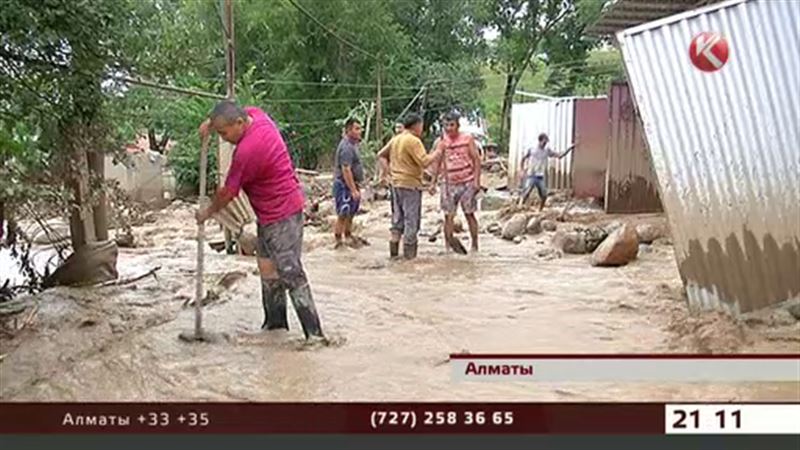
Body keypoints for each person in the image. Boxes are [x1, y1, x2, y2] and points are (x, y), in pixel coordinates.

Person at [195, 101, 325, 342]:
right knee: (267, 268)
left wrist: (207, 212)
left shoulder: (248, 151)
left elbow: (228, 193)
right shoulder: (256, 115)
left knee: (290, 272)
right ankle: (275, 326)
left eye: (224, 133)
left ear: (240, 124)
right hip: (267, 214)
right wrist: (210, 125)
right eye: (219, 133)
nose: (223, 139)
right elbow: (233, 110)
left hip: (283, 213)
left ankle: (315, 335)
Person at [377, 113, 442, 259]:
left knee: (397, 221)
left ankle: (393, 258)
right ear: (417, 125)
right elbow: (424, 161)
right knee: (411, 222)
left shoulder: (396, 139)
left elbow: (381, 155)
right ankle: (409, 261)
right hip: (410, 186)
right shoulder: (413, 141)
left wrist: (388, 174)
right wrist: (437, 153)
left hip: (396, 185)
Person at [431, 111, 482, 253]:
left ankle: (475, 245)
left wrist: (477, 181)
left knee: (469, 213)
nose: (449, 128)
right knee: (448, 216)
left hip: (467, 182)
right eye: (446, 125)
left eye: (452, 125)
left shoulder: (467, 139)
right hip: (448, 183)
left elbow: (476, 160)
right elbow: (437, 162)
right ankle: (448, 245)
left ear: (458, 125)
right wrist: (433, 182)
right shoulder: (440, 141)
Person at [520, 133, 575, 211]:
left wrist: (570, 148)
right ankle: (519, 207)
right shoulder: (532, 149)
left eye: (546, 143)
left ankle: (540, 210)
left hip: (540, 177)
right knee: (527, 192)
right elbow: (523, 159)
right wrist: (521, 170)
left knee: (544, 195)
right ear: (540, 141)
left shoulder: (547, 151)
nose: (545, 144)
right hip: (531, 175)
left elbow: (560, 155)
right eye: (544, 142)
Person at [333, 118, 365, 249]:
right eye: (356, 129)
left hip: (352, 184)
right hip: (343, 185)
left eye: (360, 128)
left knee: (351, 212)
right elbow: (346, 169)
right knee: (343, 212)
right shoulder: (346, 147)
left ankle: (348, 235)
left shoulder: (353, 145)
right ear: (348, 130)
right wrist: (352, 190)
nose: (359, 131)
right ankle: (338, 240)